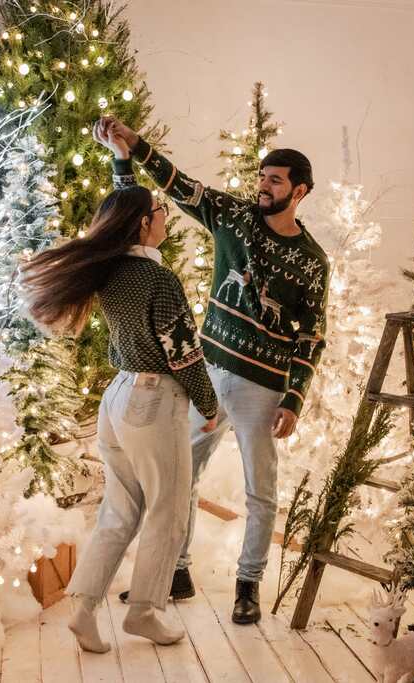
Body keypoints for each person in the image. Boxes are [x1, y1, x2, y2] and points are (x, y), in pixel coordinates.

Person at [96, 116, 330, 625]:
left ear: (300, 191)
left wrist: (294, 397)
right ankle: (175, 571)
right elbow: (178, 185)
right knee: (183, 475)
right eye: (262, 176)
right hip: (204, 370)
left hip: (263, 388)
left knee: (259, 488)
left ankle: (248, 584)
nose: (262, 186)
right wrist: (133, 148)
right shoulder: (234, 217)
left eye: (275, 180)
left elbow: (312, 333)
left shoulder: (313, 261)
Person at [21, 138, 219, 652]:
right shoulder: (158, 279)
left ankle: (84, 608)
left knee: (120, 510)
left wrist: (121, 160)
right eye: (160, 210)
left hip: (118, 402)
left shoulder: (110, 268)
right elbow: (183, 353)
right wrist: (210, 405)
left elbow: (123, 203)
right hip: (154, 402)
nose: (165, 214)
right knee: (169, 512)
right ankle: (146, 611)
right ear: (143, 225)